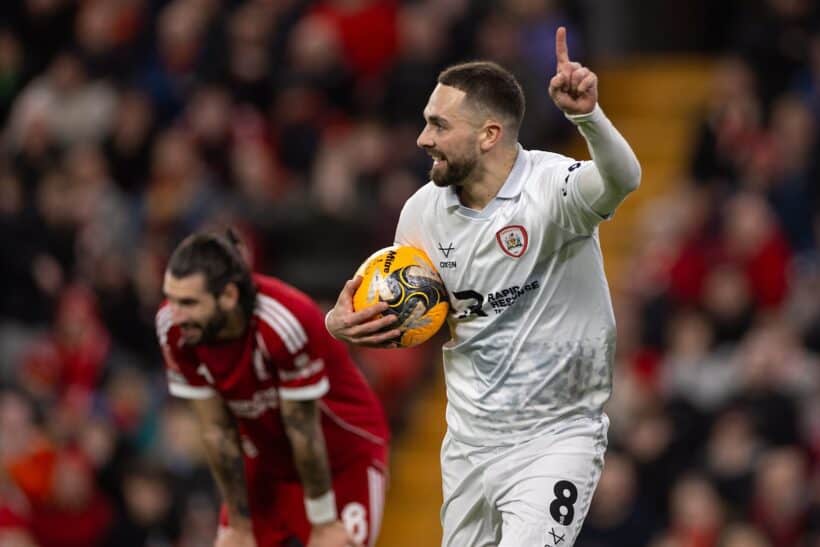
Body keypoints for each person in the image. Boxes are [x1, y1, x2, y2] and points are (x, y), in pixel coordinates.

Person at [326, 27, 641, 547]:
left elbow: (623, 179)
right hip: (469, 445)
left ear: (488, 134)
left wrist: (587, 116)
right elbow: (413, 316)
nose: (423, 138)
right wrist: (343, 325)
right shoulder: (421, 211)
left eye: (438, 125)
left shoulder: (551, 190)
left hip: (555, 438)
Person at [156, 230, 389, 547]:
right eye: (171, 298)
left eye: (188, 302)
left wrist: (322, 524)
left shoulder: (283, 321)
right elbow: (217, 431)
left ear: (227, 296)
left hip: (341, 456)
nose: (175, 313)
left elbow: (303, 431)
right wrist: (237, 526)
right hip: (265, 460)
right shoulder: (173, 328)